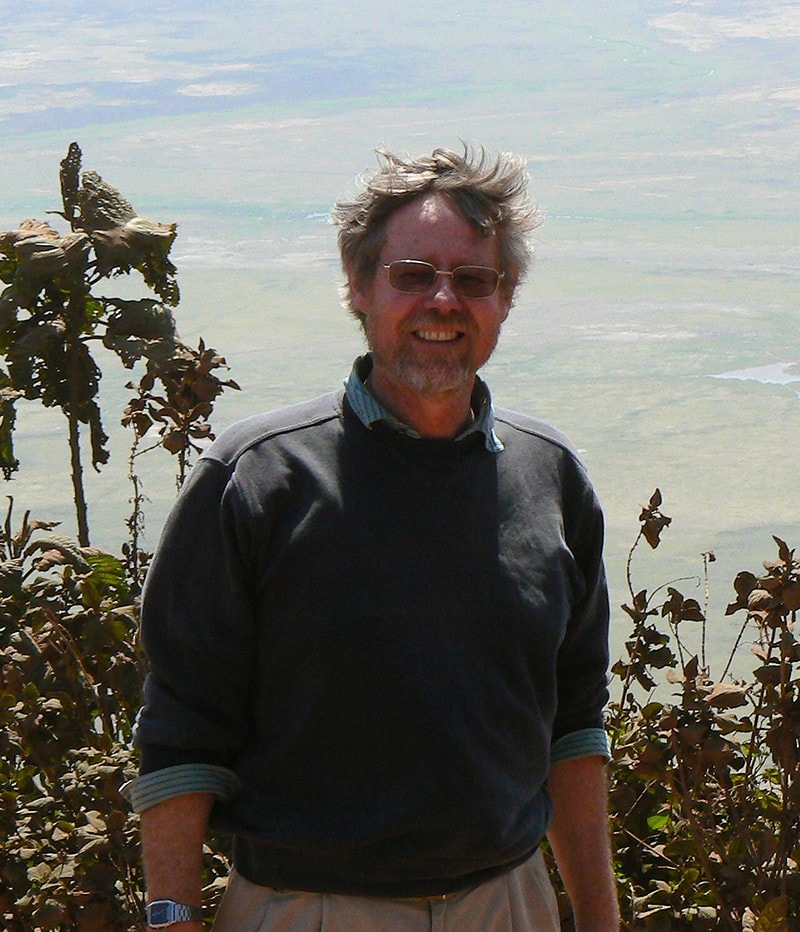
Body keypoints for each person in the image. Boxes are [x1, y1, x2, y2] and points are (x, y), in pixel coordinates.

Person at [125, 145, 620, 931]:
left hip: (510, 906)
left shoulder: (551, 477)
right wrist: (170, 914)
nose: (444, 300)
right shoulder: (256, 479)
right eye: (414, 274)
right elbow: (183, 729)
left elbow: (573, 727)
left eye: (474, 279)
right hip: (308, 910)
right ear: (359, 287)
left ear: (506, 296)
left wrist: (598, 918)